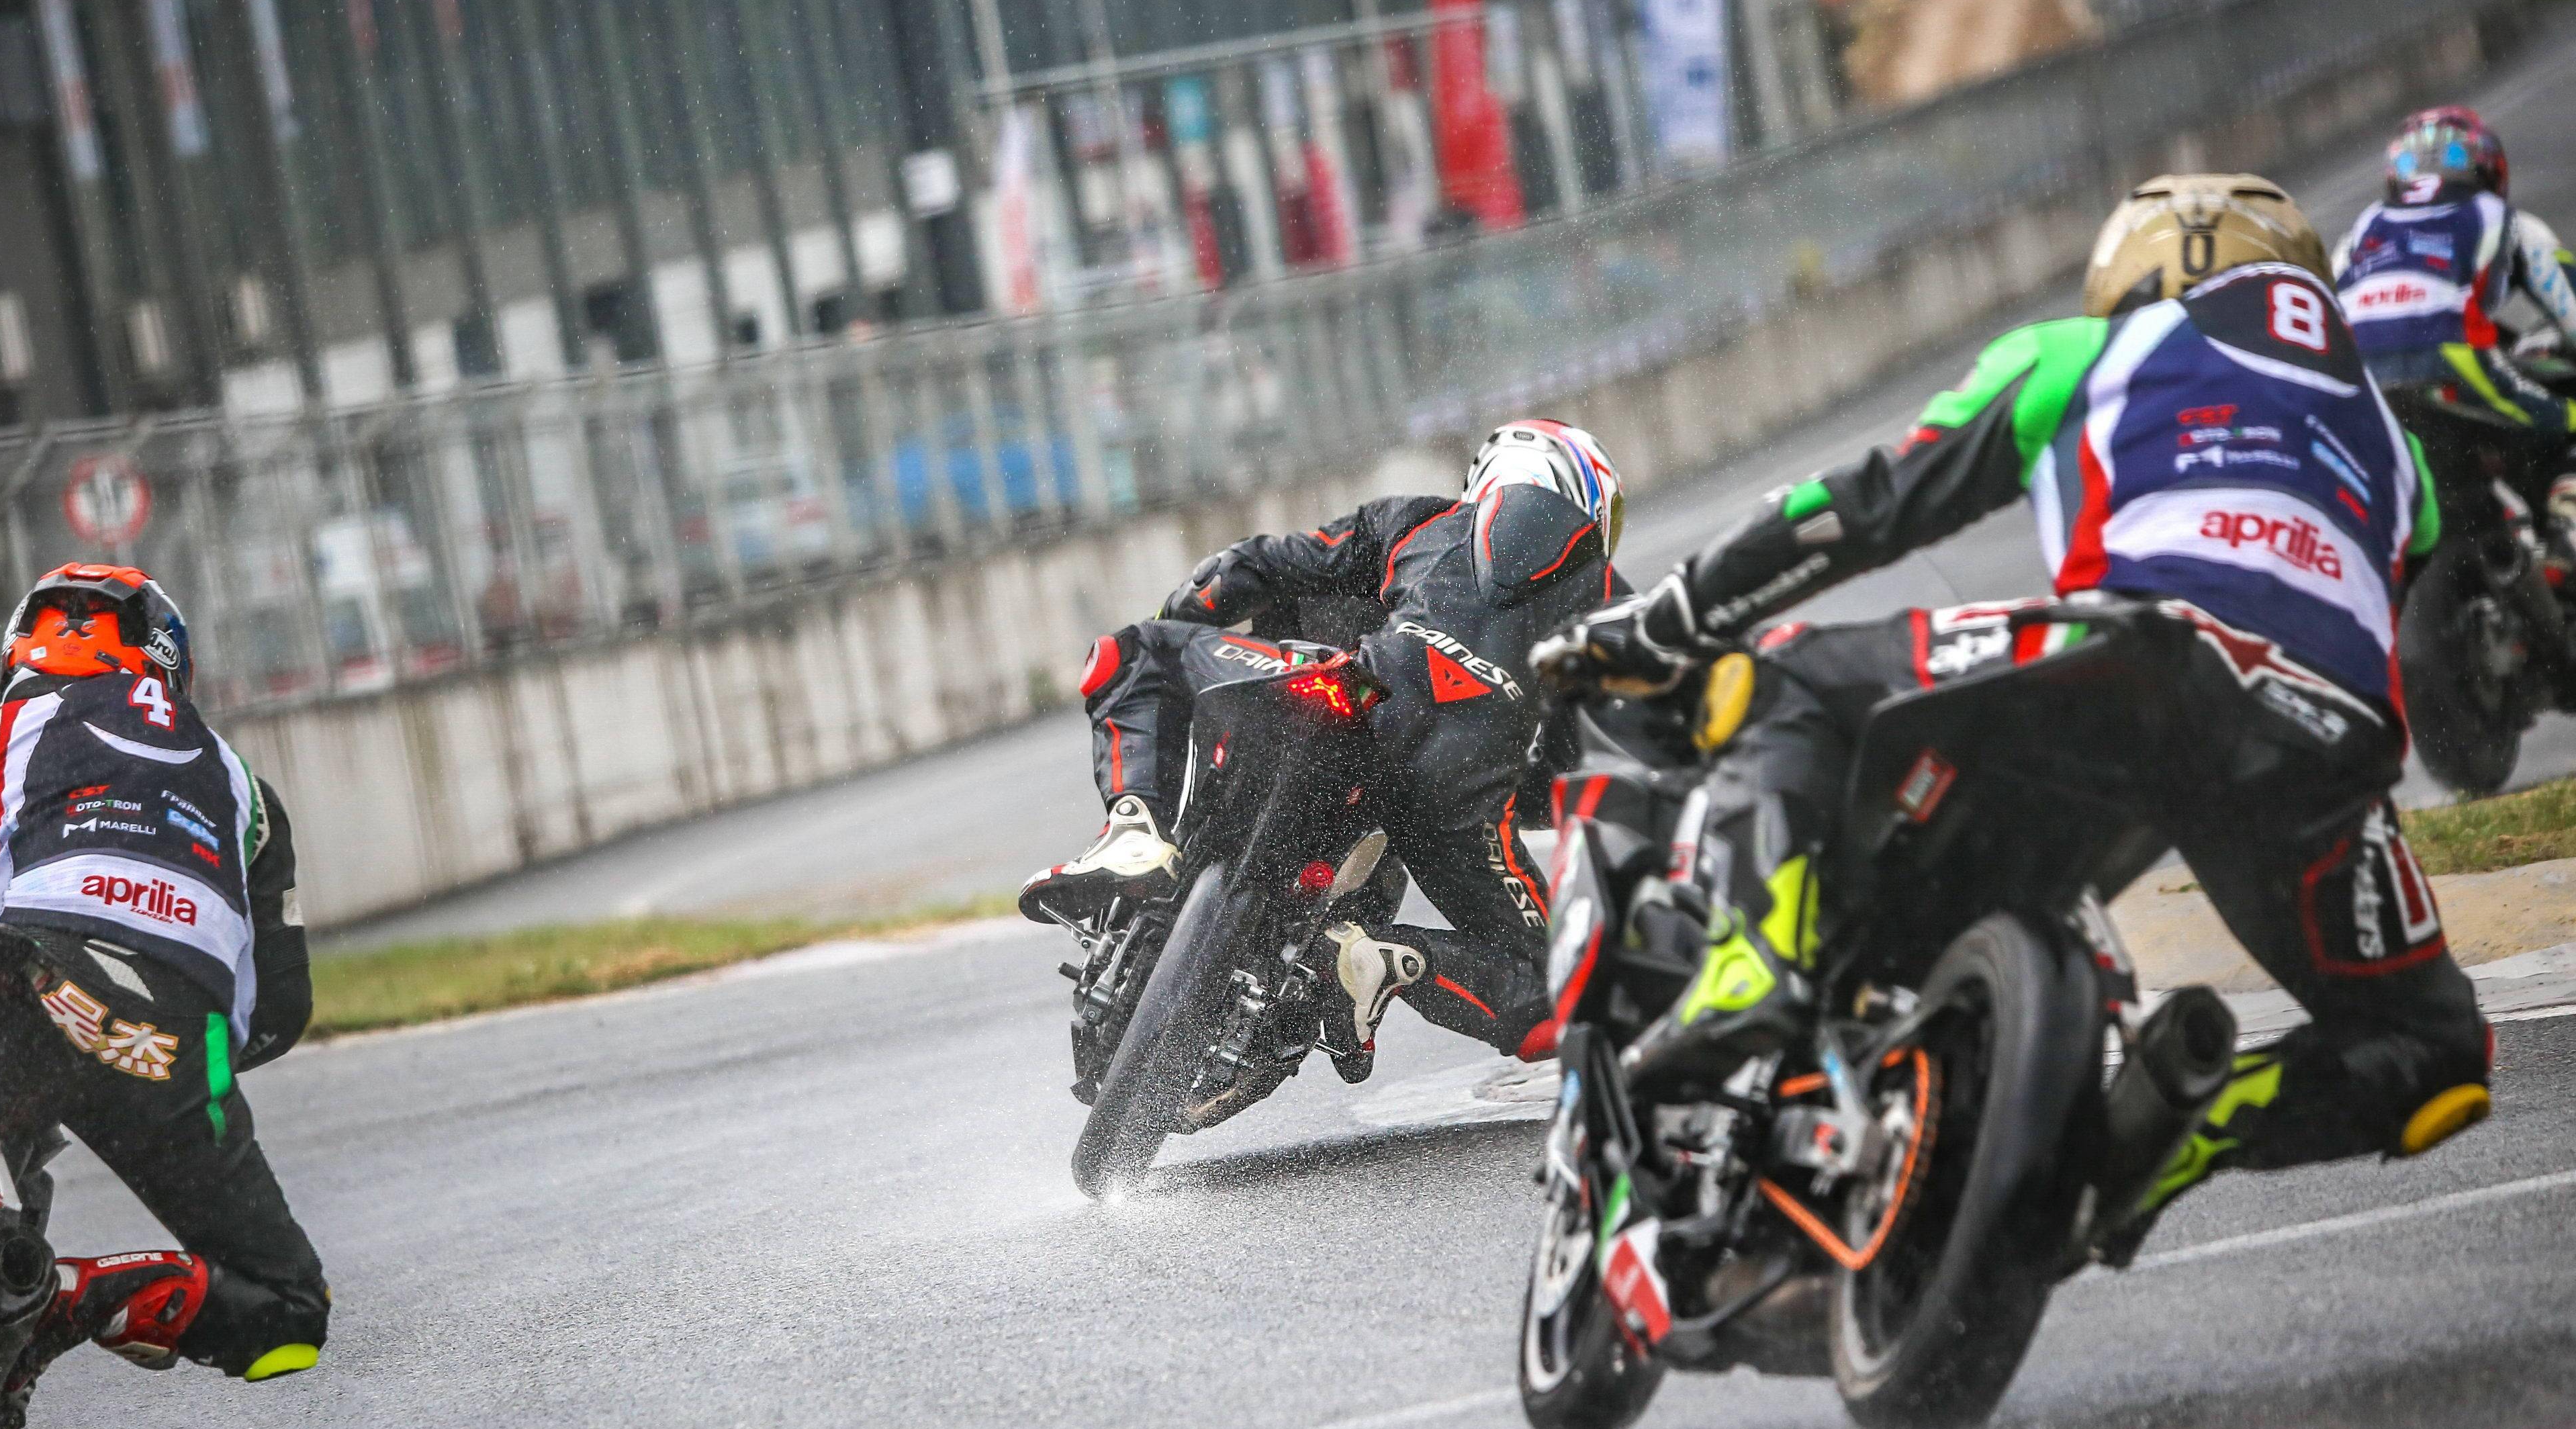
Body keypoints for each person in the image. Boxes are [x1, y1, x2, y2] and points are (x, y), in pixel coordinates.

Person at [1536, 174, 2492, 1254]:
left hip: (2139, 658)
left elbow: (1862, 506)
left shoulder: (2088, 354)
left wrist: (1666, 621)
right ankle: (2172, 1134)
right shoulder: (2397, 450)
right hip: (2324, 741)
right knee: (2436, 1050)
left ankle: (1754, 964)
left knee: (1786, 670)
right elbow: (2400, 591)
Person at [1021, 420, 1627, 1069]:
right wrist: (1499, 783)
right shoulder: (1613, 605)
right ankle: (1390, 960)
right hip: (1464, 784)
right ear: (1589, 497)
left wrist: (1184, 624)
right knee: (1560, 992)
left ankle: (1135, 824)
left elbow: (1243, 570)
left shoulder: (1420, 519)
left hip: (1363, 692)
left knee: (1132, 652)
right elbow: (1575, 770)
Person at [0, 563, 326, 1426]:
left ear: (20, 658)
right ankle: (73, 1299)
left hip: (14, 968)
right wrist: (160, 1078)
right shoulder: (247, 794)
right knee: (288, 1315)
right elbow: (280, 1013)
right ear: (169, 665)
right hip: (160, 1036)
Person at [2334, 105, 2576, 535]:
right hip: (2453, 358)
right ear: (2491, 171)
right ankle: (2568, 518)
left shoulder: (2360, 231)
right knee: (2565, 420)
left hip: (2361, 378)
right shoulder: (2507, 220)